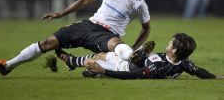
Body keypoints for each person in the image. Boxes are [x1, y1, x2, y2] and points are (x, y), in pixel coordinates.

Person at [0, 0, 151, 75]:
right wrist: (62, 13)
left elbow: (146, 28)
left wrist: (135, 46)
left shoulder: (139, 3)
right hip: (88, 25)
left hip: (107, 35)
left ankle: (133, 55)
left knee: (117, 46)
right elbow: (84, 1)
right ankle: (7, 66)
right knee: (48, 42)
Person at [70, 33, 223, 80]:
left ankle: (93, 72)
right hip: (135, 63)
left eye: (172, 42)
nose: (169, 42)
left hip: (124, 67)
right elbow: (197, 71)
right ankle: (74, 63)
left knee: (93, 61)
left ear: (175, 50)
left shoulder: (156, 66)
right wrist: (216, 77)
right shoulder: (184, 62)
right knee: (102, 55)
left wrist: (104, 71)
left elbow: (132, 75)